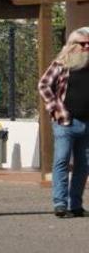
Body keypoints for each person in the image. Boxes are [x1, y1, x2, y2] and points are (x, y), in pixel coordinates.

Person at [38, 27, 89, 218]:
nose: (86, 47)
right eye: (82, 44)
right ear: (72, 45)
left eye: (88, 44)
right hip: (65, 122)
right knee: (61, 161)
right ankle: (60, 204)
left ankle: (76, 205)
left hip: (87, 123)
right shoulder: (61, 64)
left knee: (83, 166)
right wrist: (57, 109)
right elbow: (43, 85)